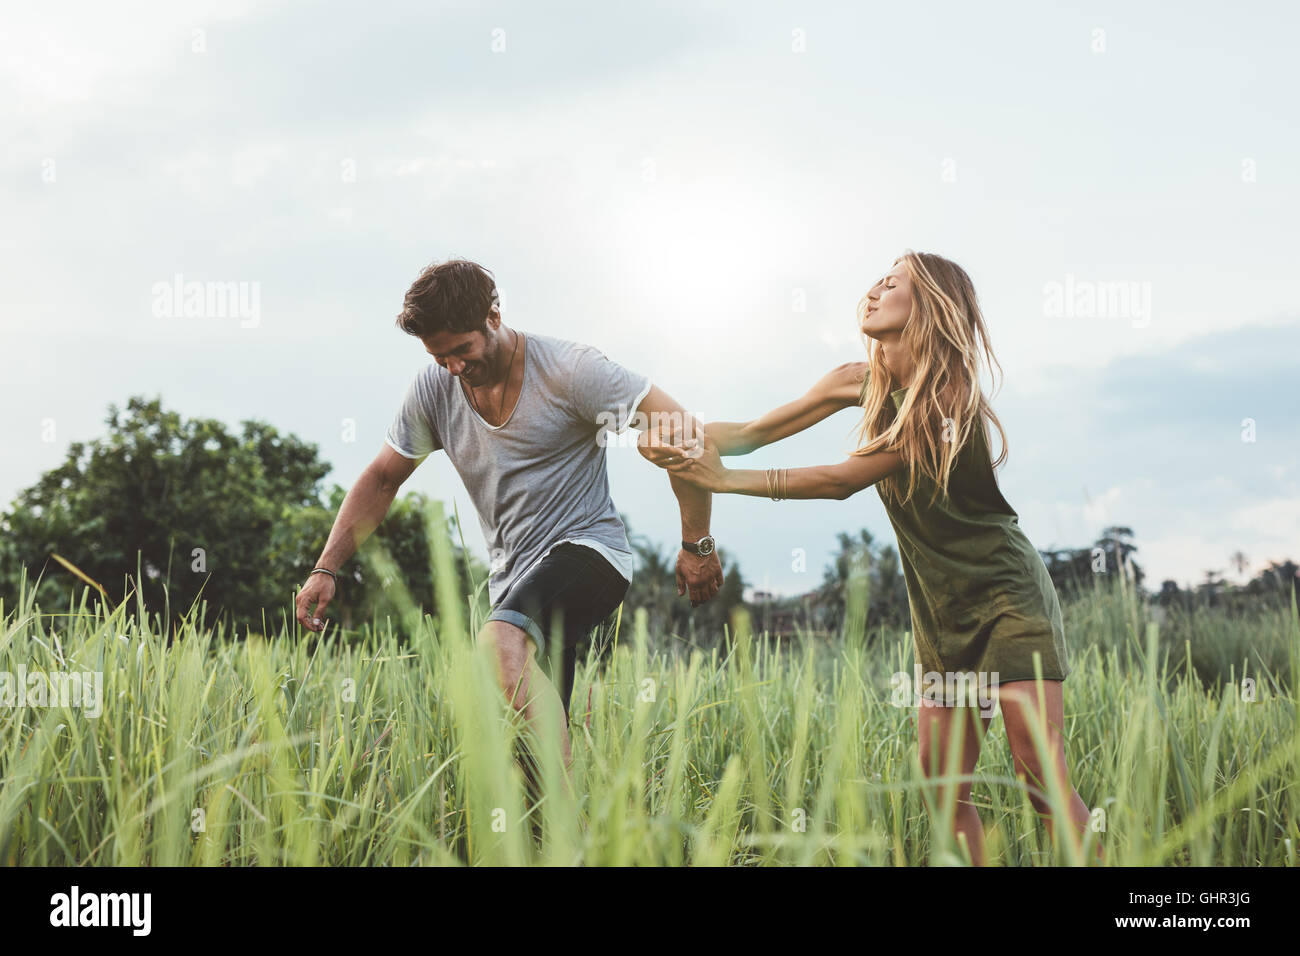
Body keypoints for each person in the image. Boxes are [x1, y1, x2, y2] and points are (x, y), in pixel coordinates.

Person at [644, 250, 1097, 865]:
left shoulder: (946, 398)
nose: (875, 289)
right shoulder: (853, 380)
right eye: (877, 280)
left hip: (1006, 599)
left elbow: (839, 480)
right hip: (941, 610)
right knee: (941, 792)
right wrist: (673, 433)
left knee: (1037, 776)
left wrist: (722, 483)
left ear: (931, 306)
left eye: (895, 283)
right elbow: (747, 434)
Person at [294, 258, 722, 771]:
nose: (453, 367)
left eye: (462, 350)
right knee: (529, 757)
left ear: (493, 317)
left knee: (500, 643)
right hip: (515, 578)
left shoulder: (572, 371)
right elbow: (384, 478)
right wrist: (326, 567)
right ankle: (562, 836)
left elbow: (684, 431)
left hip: (590, 553)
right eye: (439, 356)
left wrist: (697, 544)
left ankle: (563, 827)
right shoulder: (434, 390)